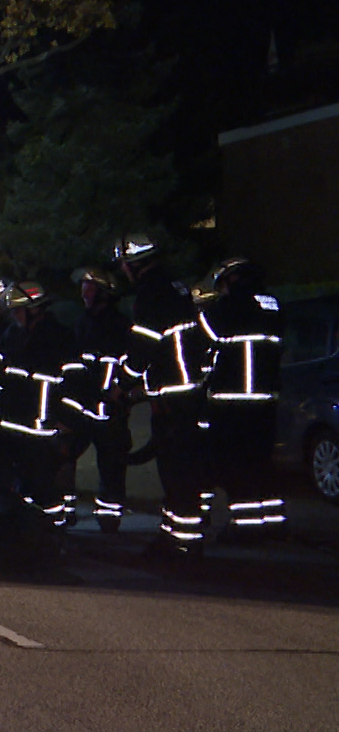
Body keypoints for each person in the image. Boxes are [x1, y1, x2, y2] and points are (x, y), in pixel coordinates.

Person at [115, 233, 212, 553]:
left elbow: (143, 348)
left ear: (132, 265)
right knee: (186, 464)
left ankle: (180, 541)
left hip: (172, 394)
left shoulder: (150, 295)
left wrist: (123, 383)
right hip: (191, 390)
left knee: (174, 467)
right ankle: (178, 532)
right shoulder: (177, 287)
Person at [198, 257, 287, 540]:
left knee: (235, 463)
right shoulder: (272, 305)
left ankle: (245, 526)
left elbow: (203, 346)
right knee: (262, 460)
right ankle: (274, 521)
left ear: (228, 281)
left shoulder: (221, 310)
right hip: (266, 398)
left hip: (231, 401)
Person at [0, 282, 77, 525]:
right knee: (1, 480)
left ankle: (53, 532)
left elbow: (75, 384)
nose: (15, 315)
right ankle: (12, 528)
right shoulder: (13, 334)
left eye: (19, 310)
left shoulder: (59, 338)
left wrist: (67, 419)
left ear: (35, 309)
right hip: (11, 425)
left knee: (42, 486)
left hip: (42, 429)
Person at [62, 267, 133, 530]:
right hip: (84, 407)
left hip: (110, 408)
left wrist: (120, 392)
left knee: (112, 466)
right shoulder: (83, 322)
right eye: (84, 287)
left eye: (90, 287)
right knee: (63, 455)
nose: (84, 292)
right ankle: (65, 510)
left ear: (104, 293)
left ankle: (109, 517)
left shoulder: (120, 325)